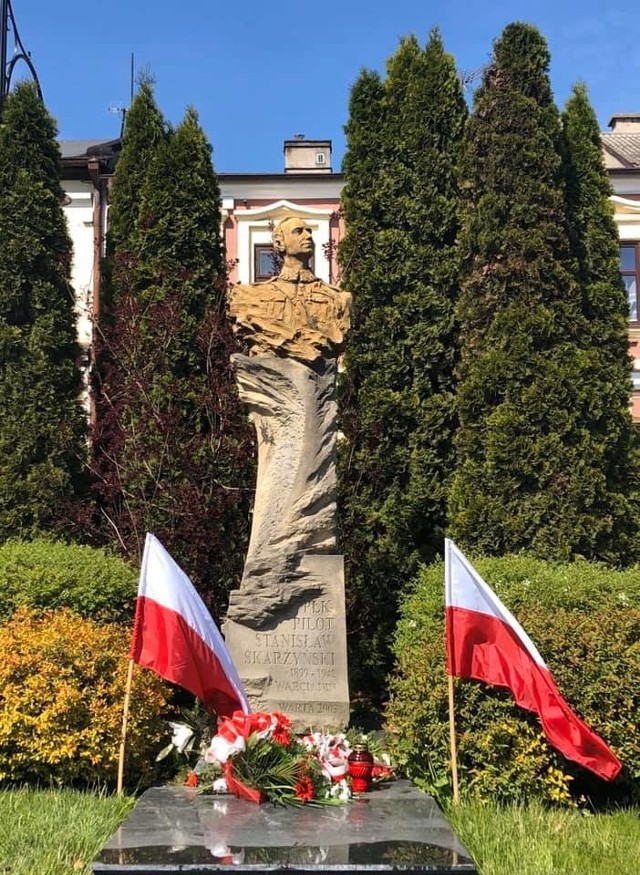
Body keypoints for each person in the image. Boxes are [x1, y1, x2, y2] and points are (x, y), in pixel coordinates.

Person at [227, 216, 352, 364]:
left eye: (309, 231)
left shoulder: (337, 297)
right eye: (298, 231)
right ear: (279, 243)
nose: (308, 236)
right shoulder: (251, 296)